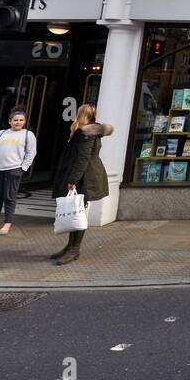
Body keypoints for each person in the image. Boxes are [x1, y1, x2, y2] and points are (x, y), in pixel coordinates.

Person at [50, 104, 115, 266]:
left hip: (85, 176)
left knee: (79, 211)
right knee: (76, 210)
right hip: (83, 174)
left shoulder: (87, 133)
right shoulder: (84, 131)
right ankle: (70, 246)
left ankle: (74, 248)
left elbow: (83, 158)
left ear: (81, 113)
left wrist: (73, 179)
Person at [0, 109, 37, 236]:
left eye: (21, 120)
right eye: (15, 120)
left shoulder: (28, 134)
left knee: (9, 197)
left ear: (24, 121)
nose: (18, 122)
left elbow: (32, 153)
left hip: (14, 169)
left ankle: (8, 223)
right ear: (10, 121)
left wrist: (23, 168)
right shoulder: (1, 133)